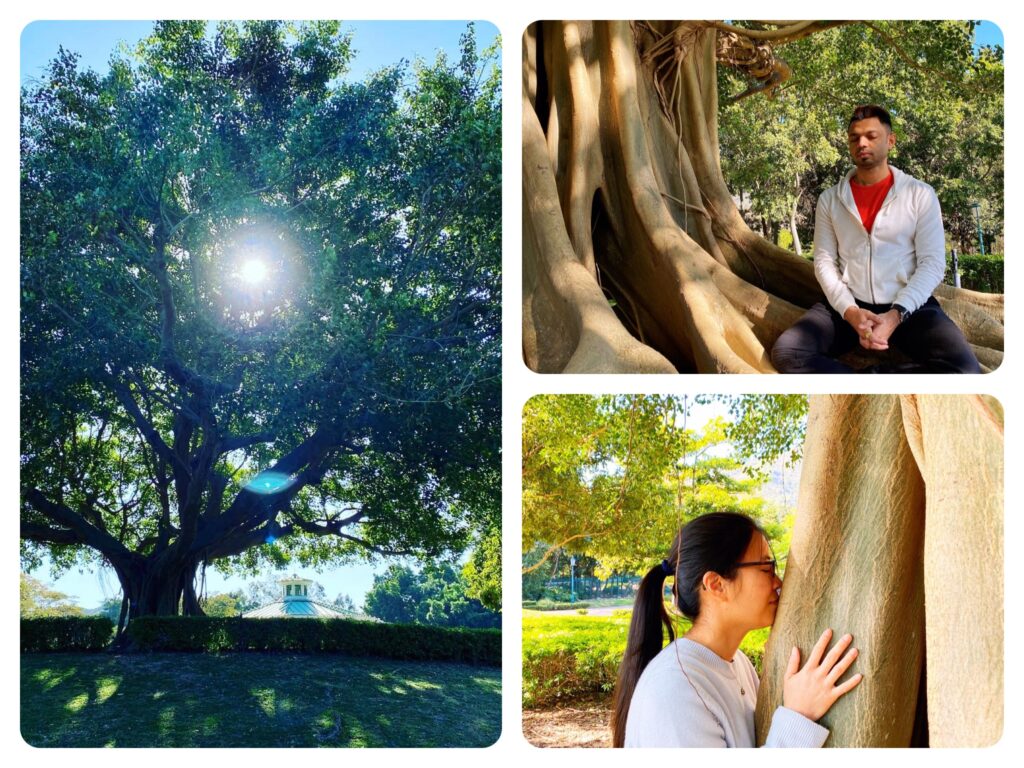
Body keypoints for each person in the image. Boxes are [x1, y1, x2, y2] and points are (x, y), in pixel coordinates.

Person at [611, 512, 862, 747]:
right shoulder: (673, 688)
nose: (779, 583)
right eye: (766, 568)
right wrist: (799, 715)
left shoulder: (736, 663)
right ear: (716, 584)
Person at [772, 104, 980, 373]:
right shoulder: (830, 200)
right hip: (849, 305)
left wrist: (896, 315)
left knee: (966, 370)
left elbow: (932, 263)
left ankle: (876, 379)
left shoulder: (920, 194)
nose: (862, 143)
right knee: (787, 353)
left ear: (890, 140)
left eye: (871, 136)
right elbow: (823, 261)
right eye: (854, 138)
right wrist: (850, 311)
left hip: (908, 307)